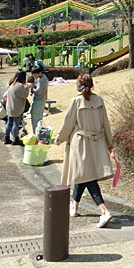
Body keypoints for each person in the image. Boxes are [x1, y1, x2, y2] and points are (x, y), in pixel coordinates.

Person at [55, 73, 115, 228]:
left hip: (81, 144)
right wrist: (110, 142)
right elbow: (106, 122)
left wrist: (59, 139)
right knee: (84, 174)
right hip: (97, 143)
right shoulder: (99, 100)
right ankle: (74, 206)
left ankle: (104, 211)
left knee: (87, 177)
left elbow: (68, 123)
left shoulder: (76, 101)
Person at [3, 71, 29, 146]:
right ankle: (15, 138)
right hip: (16, 108)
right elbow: (25, 95)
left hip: (10, 107)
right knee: (15, 124)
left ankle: (6, 137)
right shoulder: (19, 86)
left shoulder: (11, 85)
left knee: (9, 123)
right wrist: (27, 88)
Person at [29, 66, 48, 134]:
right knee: (39, 119)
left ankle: (36, 134)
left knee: (35, 120)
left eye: (35, 74)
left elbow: (38, 91)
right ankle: (38, 134)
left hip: (38, 101)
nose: (34, 75)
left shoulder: (41, 79)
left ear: (39, 72)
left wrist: (32, 89)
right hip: (41, 101)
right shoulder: (43, 78)